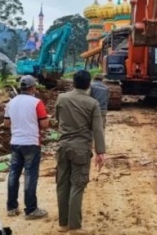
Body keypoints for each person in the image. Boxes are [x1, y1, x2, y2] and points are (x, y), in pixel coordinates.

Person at [54, 70, 106, 234]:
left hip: (62, 147)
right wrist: (100, 152)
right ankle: (74, 227)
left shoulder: (61, 98)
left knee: (62, 185)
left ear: (73, 82)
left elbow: (57, 118)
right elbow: (98, 130)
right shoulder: (92, 103)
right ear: (88, 84)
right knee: (77, 185)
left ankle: (63, 224)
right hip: (81, 150)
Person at [3, 75, 49, 220]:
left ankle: (11, 207)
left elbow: (6, 124)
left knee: (14, 174)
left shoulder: (11, 103)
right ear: (32, 88)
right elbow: (44, 125)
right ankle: (31, 209)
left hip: (16, 142)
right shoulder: (37, 103)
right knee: (30, 176)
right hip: (31, 143)